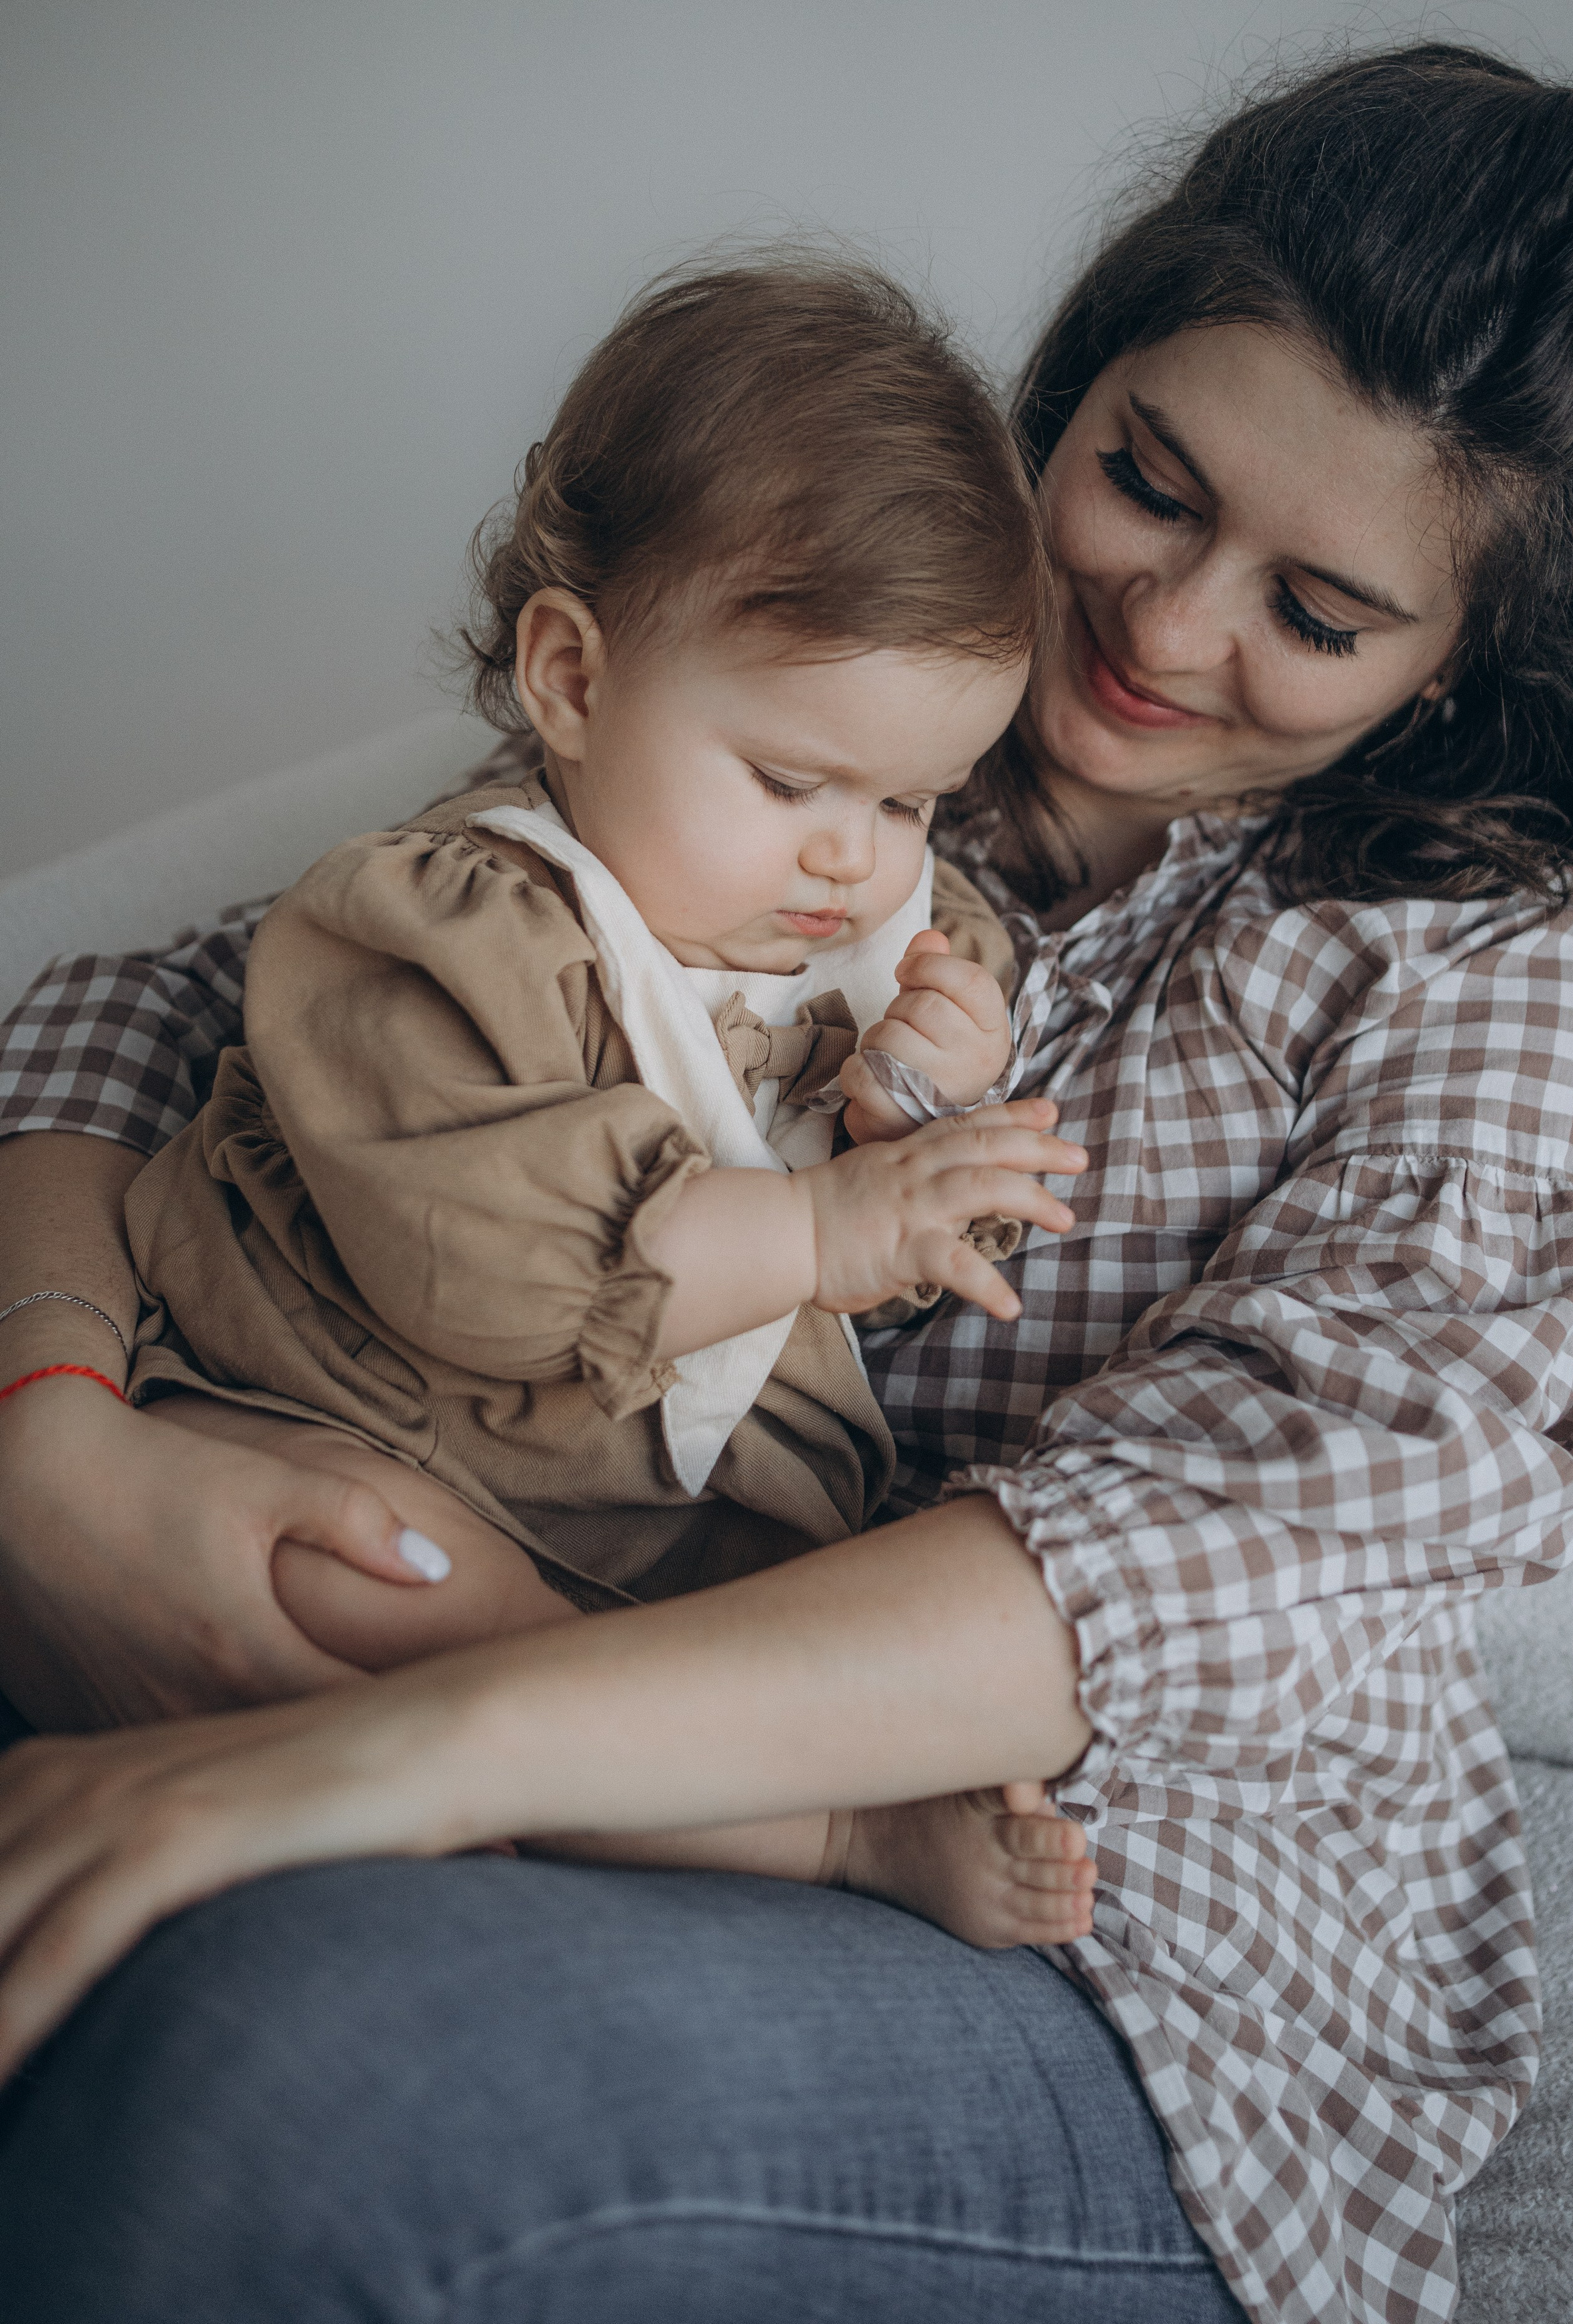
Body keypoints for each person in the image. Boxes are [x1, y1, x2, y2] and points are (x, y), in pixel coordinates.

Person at [0, 41, 1573, 2324]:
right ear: (1076, 389)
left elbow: (1174, 1557)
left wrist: (388, 1738)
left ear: (1462, 669)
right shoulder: (835, 708)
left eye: (1318, 614)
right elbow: (181, 1028)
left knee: (302, 2074)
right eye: (1148, 482)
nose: (1167, 628)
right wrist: (61, 1457)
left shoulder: (1510, 979)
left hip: (1106, 1947)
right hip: (456, 1644)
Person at [116, 253, 1095, 1941]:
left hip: (644, 1516)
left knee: (710, 1652)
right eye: (793, 778)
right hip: (347, 1419)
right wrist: (826, 1225)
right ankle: (830, 1845)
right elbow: (489, 1270)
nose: (851, 855)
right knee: (374, 1588)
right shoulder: (434, 932)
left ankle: (707, 1779)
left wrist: (933, 1060)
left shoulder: (851, 912)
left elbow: (916, 989)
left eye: (915, 800)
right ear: (569, 678)